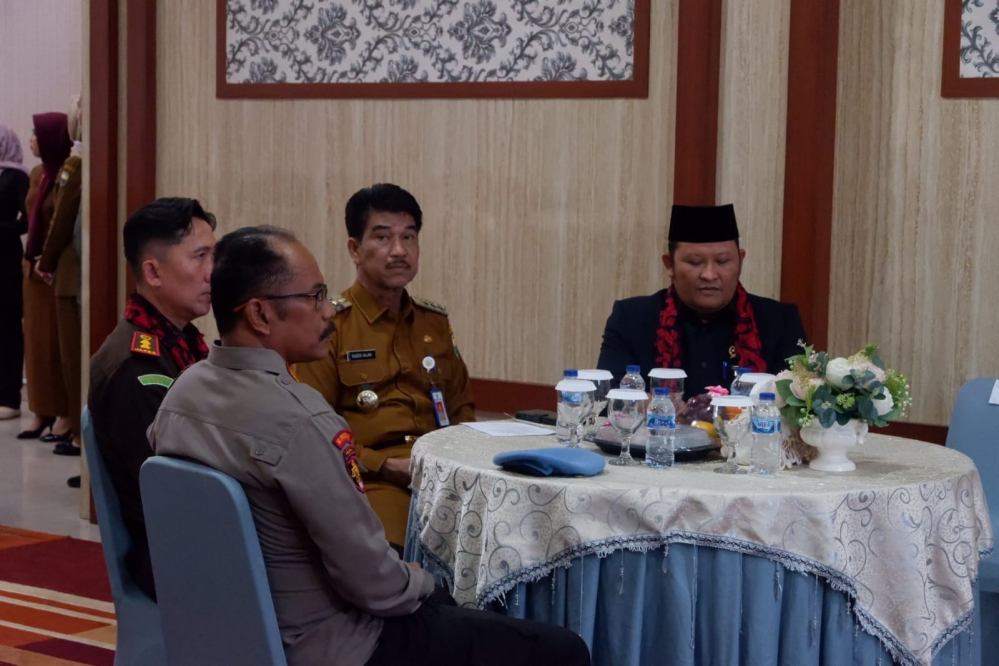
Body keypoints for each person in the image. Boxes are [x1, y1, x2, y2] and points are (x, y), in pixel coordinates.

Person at [149, 226, 590, 666]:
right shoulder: (301, 420)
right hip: (334, 645)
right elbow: (375, 587)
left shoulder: (181, 396)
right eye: (315, 297)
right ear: (260, 314)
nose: (329, 311)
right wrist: (423, 582)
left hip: (224, 634)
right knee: (560, 649)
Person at [296, 183, 474, 549]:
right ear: (355, 249)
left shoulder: (434, 322)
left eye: (409, 237)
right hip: (374, 481)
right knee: (403, 552)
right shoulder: (331, 325)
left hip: (445, 475)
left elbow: (461, 408)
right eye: (382, 237)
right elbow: (316, 431)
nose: (399, 250)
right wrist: (385, 465)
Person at [88, 197, 216, 599]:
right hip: (174, 555)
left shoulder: (181, 342)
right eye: (200, 257)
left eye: (215, 255)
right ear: (152, 272)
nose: (213, 271)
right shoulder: (137, 366)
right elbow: (173, 489)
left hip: (193, 533)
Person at [597, 204, 806, 398]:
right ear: (669, 264)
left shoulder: (780, 321)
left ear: (740, 261)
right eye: (695, 262)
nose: (709, 274)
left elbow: (797, 403)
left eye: (722, 261)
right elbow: (609, 398)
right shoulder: (631, 319)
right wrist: (655, 405)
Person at [20, 112, 72, 439]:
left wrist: (47, 259)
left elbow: (61, 223)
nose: (31, 140)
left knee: (56, 346)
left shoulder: (67, 174)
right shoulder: (37, 174)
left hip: (52, 271)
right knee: (36, 345)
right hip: (31, 269)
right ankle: (40, 411)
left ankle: (63, 413)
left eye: (36, 134)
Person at [37, 96, 83, 455]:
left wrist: (46, 260)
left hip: (69, 273)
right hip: (71, 272)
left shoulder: (75, 164)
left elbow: (60, 220)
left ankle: (80, 434)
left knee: (73, 358)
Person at [0, 125, 29, 420]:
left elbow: (28, 220)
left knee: (7, 326)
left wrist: (3, 229)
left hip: (6, 259)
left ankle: (9, 396)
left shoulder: (17, 177)